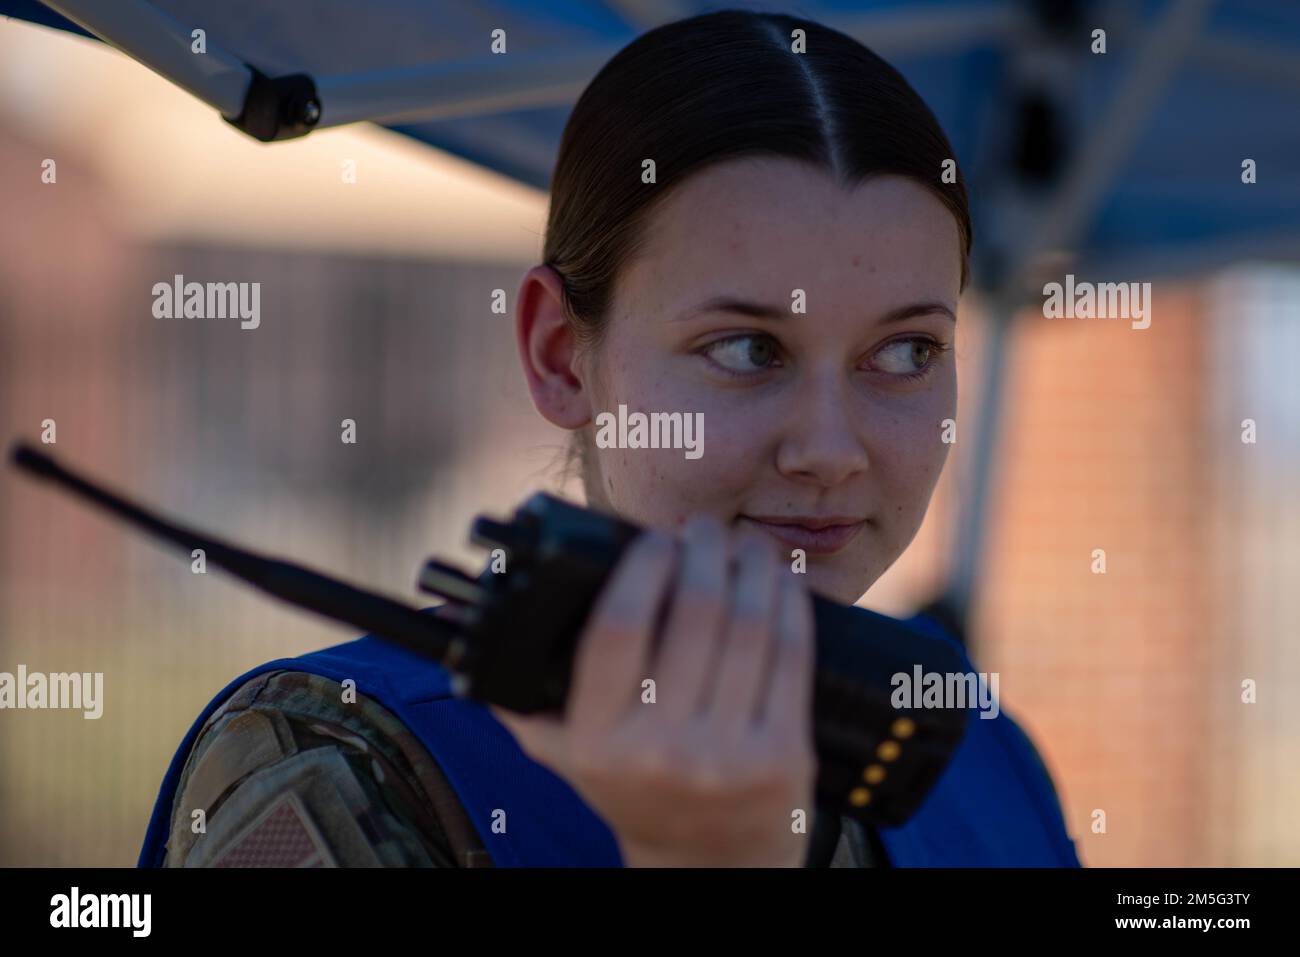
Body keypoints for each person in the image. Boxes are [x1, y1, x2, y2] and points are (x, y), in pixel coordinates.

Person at [139, 8, 1080, 868]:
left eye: (907, 350)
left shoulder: (972, 742)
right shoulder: (342, 760)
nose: (830, 450)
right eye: (749, 349)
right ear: (561, 356)